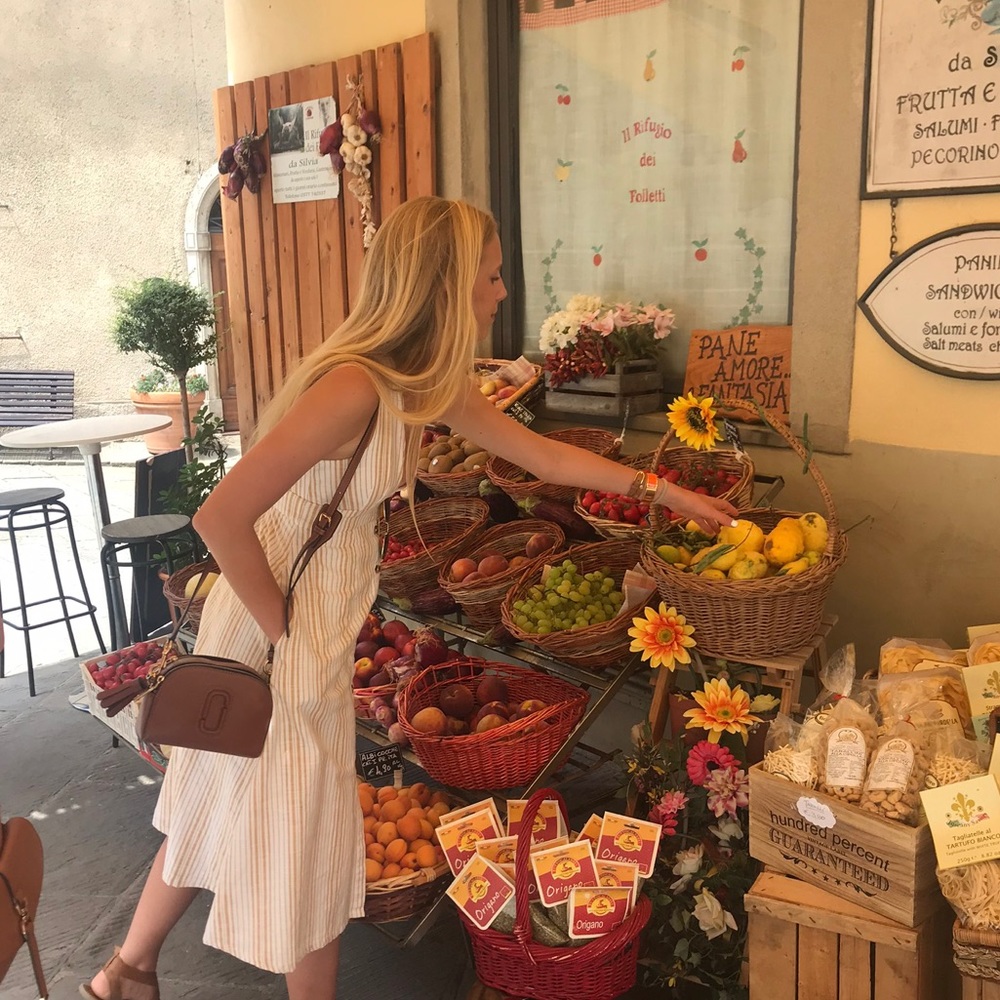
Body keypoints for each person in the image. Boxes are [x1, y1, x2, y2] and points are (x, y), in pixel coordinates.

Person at [81, 196, 737, 1000]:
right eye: (491, 276)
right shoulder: (355, 386)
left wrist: (662, 489)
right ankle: (134, 973)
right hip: (275, 622)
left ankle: (125, 972)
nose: (501, 293)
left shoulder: (419, 384)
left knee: (223, 797)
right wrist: (285, 632)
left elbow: (544, 458)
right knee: (313, 841)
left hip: (301, 622)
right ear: (447, 282)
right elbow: (220, 517)